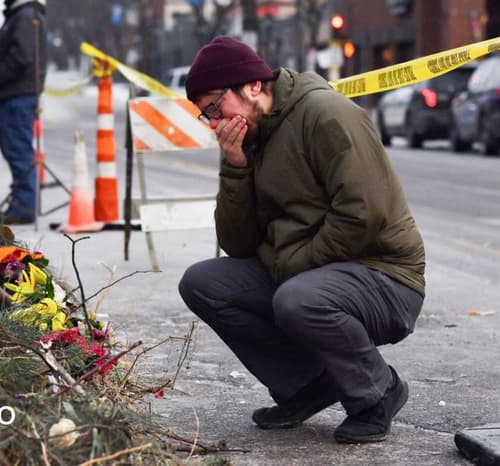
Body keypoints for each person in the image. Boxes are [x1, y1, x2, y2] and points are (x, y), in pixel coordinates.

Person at [177, 36, 425, 444]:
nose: (216, 122)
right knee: (203, 284)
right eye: (207, 115)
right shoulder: (252, 138)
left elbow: (363, 212)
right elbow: (237, 245)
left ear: (253, 86)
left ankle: (377, 392)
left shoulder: (325, 114)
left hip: (385, 276)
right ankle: (307, 385)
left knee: (297, 299)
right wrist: (236, 167)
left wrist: (291, 268)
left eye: (217, 107)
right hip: (310, 271)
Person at [0, 0, 47, 225]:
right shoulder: (23, 15)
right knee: (17, 149)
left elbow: (23, 55)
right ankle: (22, 203)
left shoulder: (24, 15)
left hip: (17, 95)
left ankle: (23, 206)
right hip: (17, 94)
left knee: (19, 150)